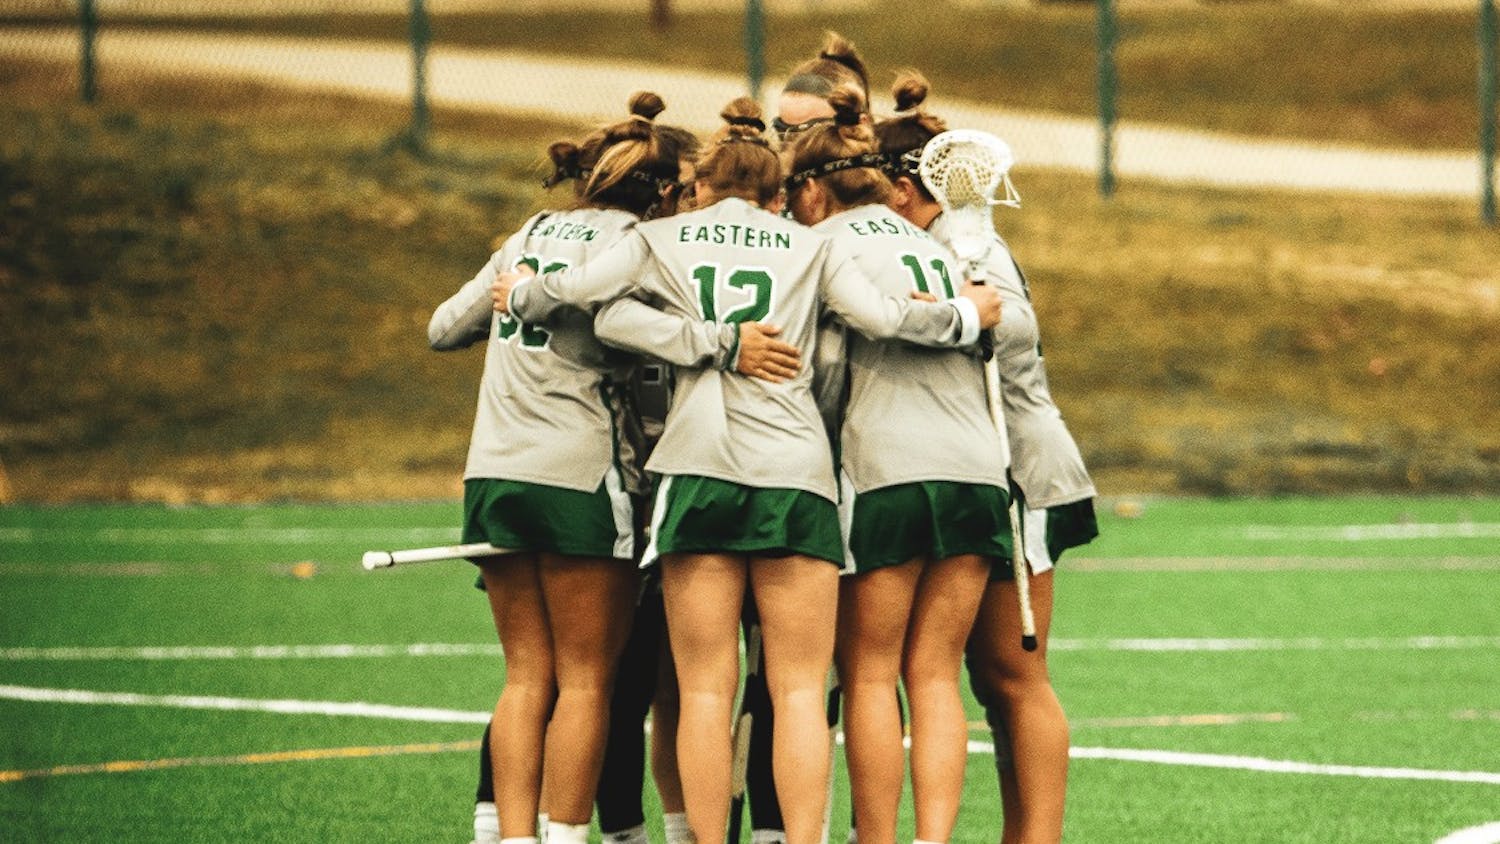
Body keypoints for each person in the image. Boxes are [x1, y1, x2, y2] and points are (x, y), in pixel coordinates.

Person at [492, 96, 1001, 844]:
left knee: (703, 692)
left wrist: (527, 295)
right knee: (798, 693)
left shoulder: (661, 236)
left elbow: (593, 306)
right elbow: (884, 319)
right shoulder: (811, 244)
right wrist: (965, 316)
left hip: (697, 472)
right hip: (795, 474)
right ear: (775, 193)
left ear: (700, 186)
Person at [427, 91, 684, 844]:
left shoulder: (529, 233)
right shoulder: (641, 245)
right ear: (663, 190)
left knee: (525, 676)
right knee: (587, 679)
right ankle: (567, 834)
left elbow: (444, 328)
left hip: (494, 473)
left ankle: (515, 836)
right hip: (581, 477)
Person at [781, 85, 1011, 844]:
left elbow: (824, 371)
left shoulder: (823, 245)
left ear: (812, 189)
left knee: (872, 673)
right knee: (936, 674)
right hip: (975, 470)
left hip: (887, 469)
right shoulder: (934, 243)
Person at [875, 72, 1100, 844]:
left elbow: (1014, 327)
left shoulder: (967, 240)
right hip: (980, 466)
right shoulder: (921, 242)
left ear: (904, 188)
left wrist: (951, 310)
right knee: (983, 674)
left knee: (1012, 673)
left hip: (1022, 472)